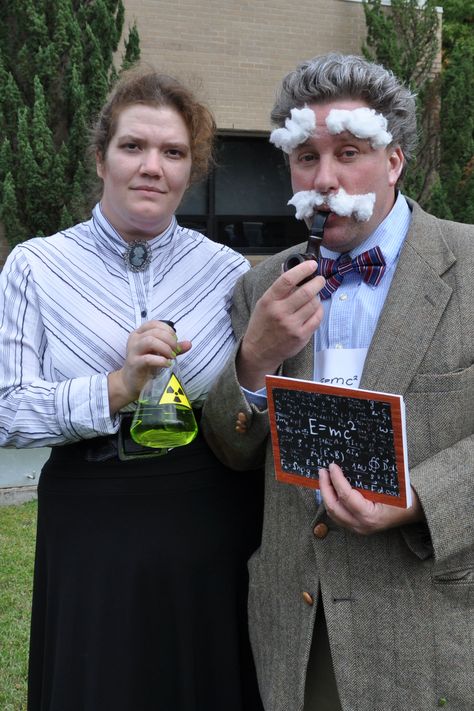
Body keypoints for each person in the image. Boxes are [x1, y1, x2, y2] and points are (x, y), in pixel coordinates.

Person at [201, 53, 474, 711]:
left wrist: (418, 498)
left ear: (394, 160)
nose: (324, 179)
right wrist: (253, 360)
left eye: (348, 152)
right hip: (298, 628)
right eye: (305, 156)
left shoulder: (468, 266)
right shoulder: (261, 285)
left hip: (431, 624)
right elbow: (230, 449)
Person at [0, 66, 264, 711]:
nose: (152, 166)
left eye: (173, 153)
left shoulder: (227, 273)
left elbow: (249, 404)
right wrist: (116, 386)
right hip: (92, 518)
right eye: (133, 147)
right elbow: (7, 415)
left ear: (191, 170)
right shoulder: (36, 266)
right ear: (100, 158)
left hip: (211, 516)